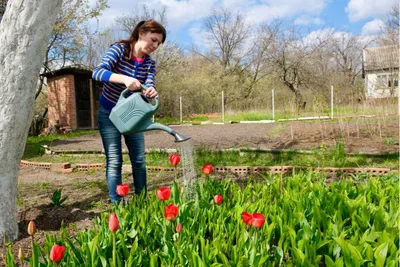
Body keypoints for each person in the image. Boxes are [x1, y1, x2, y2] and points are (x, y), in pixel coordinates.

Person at [92, 19, 166, 203]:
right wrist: (124, 79)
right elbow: (97, 72)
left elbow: (149, 84)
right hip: (109, 114)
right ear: (141, 33)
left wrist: (150, 91)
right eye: (153, 39)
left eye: (158, 43)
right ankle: (117, 205)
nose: (155, 45)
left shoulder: (149, 64)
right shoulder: (120, 49)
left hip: (132, 118)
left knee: (139, 160)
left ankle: (142, 202)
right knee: (115, 161)